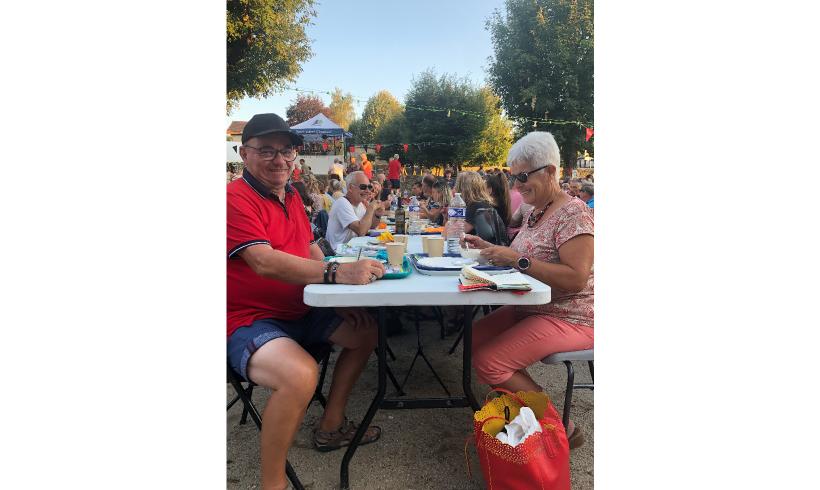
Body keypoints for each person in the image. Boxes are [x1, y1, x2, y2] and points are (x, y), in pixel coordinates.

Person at [227, 113, 385, 490]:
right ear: (243, 153)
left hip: (302, 308)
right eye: (266, 150)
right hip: (249, 320)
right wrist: (336, 275)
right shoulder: (232, 198)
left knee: (366, 331)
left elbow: (311, 248)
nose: (279, 159)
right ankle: (272, 484)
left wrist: (334, 296)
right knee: (300, 375)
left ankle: (331, 426)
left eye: (286, 151)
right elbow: (262, 261)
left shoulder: (293, 194)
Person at [463, 131, 593, 450]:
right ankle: (520, 407)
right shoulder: (537, 210)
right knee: (475, 338)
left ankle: (559, 426)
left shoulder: (573, 212)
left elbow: (576, 278)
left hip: (573, 315)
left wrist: (516, 259)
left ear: (550, 171)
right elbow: (526, 257)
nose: (516, 186)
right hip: (536, 306)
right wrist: (491, 249)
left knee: (490, 361)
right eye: (513, 177)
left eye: (522, 176)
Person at [326, 171, 382, 249]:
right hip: (339, 253)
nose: (368, 191)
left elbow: (370, 226)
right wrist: (371, 208)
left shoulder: (359, 204)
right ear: (351, 188)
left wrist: (377, 215)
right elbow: (361, 230)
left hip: (351, 249)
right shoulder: (342, 203)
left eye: (369, 187)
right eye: (363, 187)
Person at [453, 171, 495, 235]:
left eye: (457, 185)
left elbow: (454, 233)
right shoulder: (482, 203)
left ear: (462, 188)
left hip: (484, 244)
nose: (454, 188)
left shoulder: (476, 206)